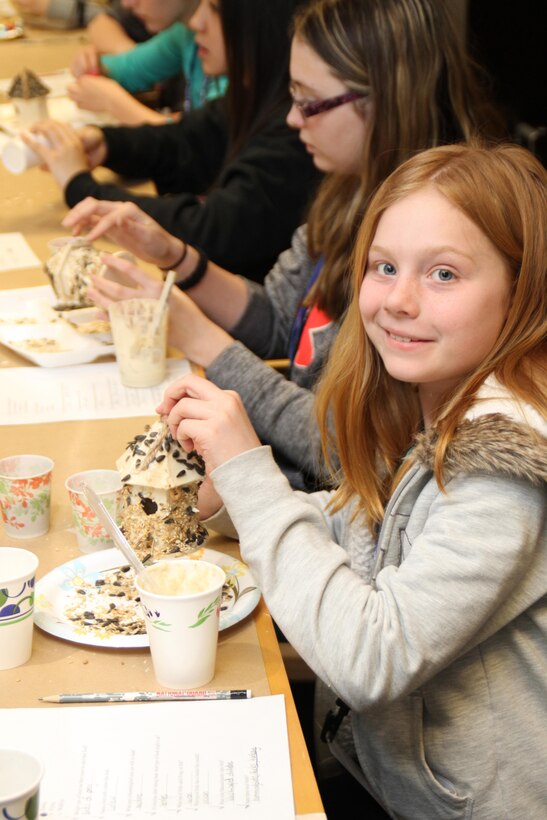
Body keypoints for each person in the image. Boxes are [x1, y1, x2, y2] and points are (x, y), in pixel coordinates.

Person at [156, 142, 547, 819]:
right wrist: (237, 498)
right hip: (381, 768)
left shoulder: (504, 471)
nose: (398, 299)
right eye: (383, 266)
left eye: (444, 274)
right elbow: (372, 531)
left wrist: (253, 476)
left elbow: (370, 657)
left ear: (522, 290)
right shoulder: (440, 393)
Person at [64, 0, 502, 490]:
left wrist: (205, 342)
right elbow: (282, 322)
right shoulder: (345, 189)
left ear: (383, 97)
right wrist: (177, 258)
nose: (293, 120)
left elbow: (352, 448)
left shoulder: (424, 248)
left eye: (310, 101)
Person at [24, 0, 320, 282]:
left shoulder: (296, 130)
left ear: (261, 23)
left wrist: (83, 189)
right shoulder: (258, 95)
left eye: (214, 9)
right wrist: (108, 144)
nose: (196, 21)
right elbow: (186, 141)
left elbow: (211, 231)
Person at [68, 3, 228, 126]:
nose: (126, 4)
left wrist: (113, 102)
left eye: (214, 7)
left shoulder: (236, 60)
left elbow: (200, 141)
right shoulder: (184, 33)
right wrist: (95, 65)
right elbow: (130, 67)